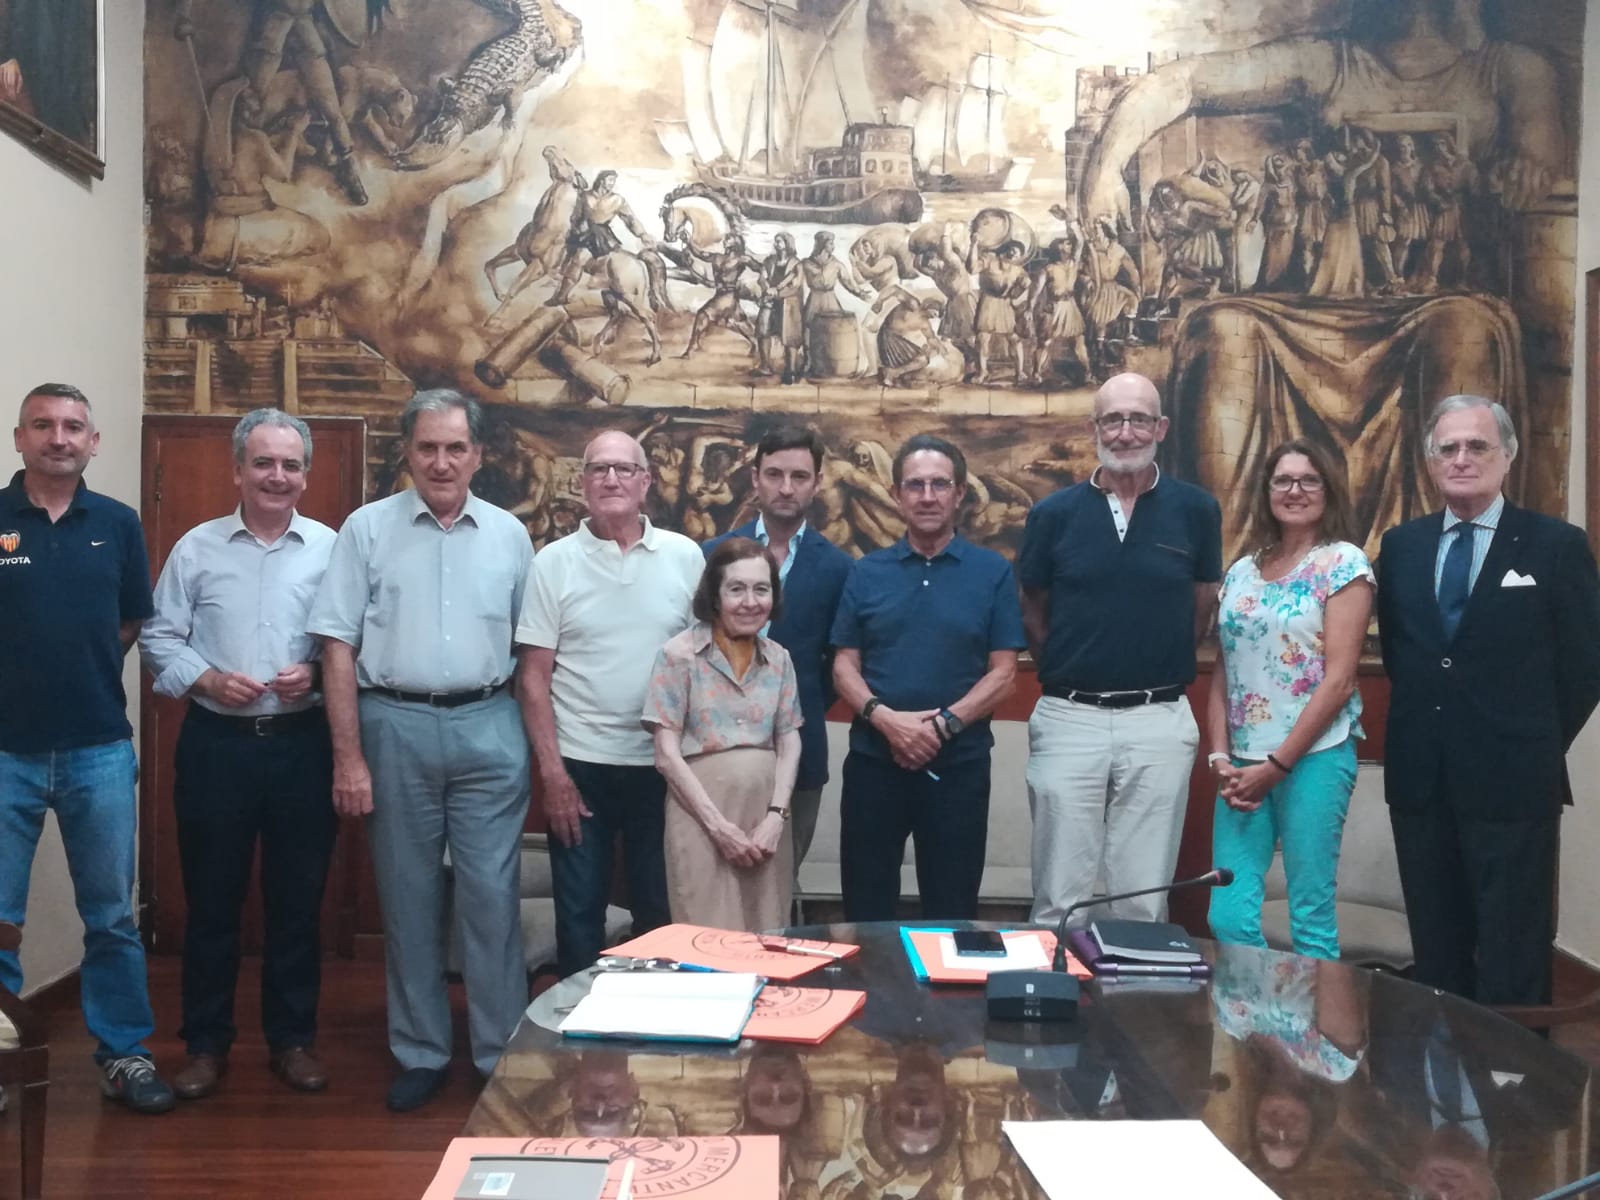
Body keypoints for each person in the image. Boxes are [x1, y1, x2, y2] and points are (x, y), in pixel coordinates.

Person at [307, 389, 533, 1112]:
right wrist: (349, 758)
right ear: (406, 451)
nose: (441, 462)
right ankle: (422, 1052)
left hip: (489, 724)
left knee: (493, 899)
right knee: (407, 898)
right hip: (394, 725)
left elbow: (532, 653)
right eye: (428, 447)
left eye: (455, 448)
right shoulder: (366, 530)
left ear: (477, 455)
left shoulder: (510, 536)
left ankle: (500, 1051)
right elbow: (336, 648)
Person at [138, 409, 338, 1100]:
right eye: (263, 462)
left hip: (302, 747)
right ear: (238, 470)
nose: (276, 476)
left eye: (289, 465)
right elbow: (159, 636)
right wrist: (207, 679)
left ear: (305, 475)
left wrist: (316, 671)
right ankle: (205, 1045)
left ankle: (292, 1041)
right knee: (211, 901)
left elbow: (351, 638)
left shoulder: (331, 549)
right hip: (216, 747)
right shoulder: (196, 548)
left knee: (297, 903)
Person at [1377, 395, 1600, 1006]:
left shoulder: (1555, 546)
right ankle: (1439, 1064)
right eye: (1448, 447)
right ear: (1431, 462)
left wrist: (1528, 736)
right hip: (1422, 781)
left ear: (1508, 456)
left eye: (1477, 446)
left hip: (1514, 782)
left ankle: (1513, 1069)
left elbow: (1585, 665)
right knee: (1437, 952)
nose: (1462, 458)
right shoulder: (1402, 547)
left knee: (1513, 953)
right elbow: (1405, 654)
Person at [0, 384, 172, 1114]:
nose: (59, 437)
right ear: (20, 438)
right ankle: (1, 1059)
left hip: (98, 748)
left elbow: (131, 620)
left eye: (74, 426)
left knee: (111, 916)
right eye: (43, 425)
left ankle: (124, 1053)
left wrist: (79, 663)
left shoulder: (119, 523)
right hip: (5, 753)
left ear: (93, 442)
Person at [1018, 372, 1222, 928]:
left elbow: (1202, 600)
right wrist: (1071, 668)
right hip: (1069, 717)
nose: (1125, 432)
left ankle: (1134, 987)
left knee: (1142, 898)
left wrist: (1153, 656)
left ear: (1161, 427)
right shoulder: (1053, 515)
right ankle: (1057, 985)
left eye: (1138, 419)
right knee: (1058, 898)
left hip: (1159, 717)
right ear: (1094, 428)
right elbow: (1033, 607)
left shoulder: (1197, 510)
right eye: (1113, 419)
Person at [515, 430, 704, 977]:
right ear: (583, 482)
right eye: (599, 469)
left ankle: (653, 1022)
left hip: (663, 767)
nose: (612, 479)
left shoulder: (685, 557)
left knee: (660, 912)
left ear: (646, 482)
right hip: (580, 769)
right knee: (579, 916)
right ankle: (579, 1021)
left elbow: (705, 666)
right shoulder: (553, 563)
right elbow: (533, 679)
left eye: (624, 469)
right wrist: (553, 775)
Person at [830, 434, 1025, 921]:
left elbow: (1005, 674)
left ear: (959, 493)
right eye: (915, 485)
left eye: (940, 484)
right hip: (875, 765)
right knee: (865, 911)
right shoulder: (865, 572)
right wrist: (888, 722)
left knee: (952, 911)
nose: (927, 496)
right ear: (897, 495)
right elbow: (843, 665)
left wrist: (940, 727)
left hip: (958, 768)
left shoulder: (993, 573)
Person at [1206, 439, 1374, 961]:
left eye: (1308, 480)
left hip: (1314, 758)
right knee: (1227, 915)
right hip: (1241, 766)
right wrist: (1219, 756)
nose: (1294, 490)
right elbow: (1224, 670)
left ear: (1328, 490)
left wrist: (1277, 766)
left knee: (1310, 918)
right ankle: (1264, 1014)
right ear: (1267, 491)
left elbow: (1339, 681)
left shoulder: (1343, 563)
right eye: (1283, 480)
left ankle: (1308, 1019)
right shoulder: (1242, 570)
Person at [704, 426, 853, 879]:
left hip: (800, 751)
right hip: (714, 749)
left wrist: (795, 703)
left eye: (799, 476)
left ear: (817, 482)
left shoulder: (840, 569)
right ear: (755, 479)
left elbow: (837, 665)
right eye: (774, 474)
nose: (786, 488)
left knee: (779, 881)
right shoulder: (712, 556)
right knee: (713, 880)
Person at [642, 538, 803, 930]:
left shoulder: (779, 659)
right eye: (736, 589)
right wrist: (718, 827)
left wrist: (776, 818)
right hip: (702, 820)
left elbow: (789, 740)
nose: (750, 601)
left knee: (767, 933)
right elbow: (665, 754)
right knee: (707, 933)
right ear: (714, 595)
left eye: (761, 589)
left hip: (767, 821)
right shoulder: (677, 656)